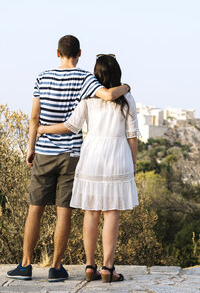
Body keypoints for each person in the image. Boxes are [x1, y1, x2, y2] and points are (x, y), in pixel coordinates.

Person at [7, 36, 130, 282]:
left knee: (35, 208)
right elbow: (107, 96)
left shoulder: (42, 77)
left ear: (57, 52)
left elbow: (34, 117)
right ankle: (56, 267)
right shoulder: (85, 78)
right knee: (64, 210)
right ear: (79, 53)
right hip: (72, 154)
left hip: (44, 151)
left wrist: (31, 147)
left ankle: (25, 265)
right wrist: (127, 87)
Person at [37, 54, 139, 283]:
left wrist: (43, 130)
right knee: (112, 212)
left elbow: (70, 126)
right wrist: (134, 163)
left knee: (91, 212)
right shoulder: (127, 98)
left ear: (96, 73)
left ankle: (90, 266)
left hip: (92, 155)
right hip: (118, 155)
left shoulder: (88, 97)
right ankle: (108, 268)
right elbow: (132, 136)